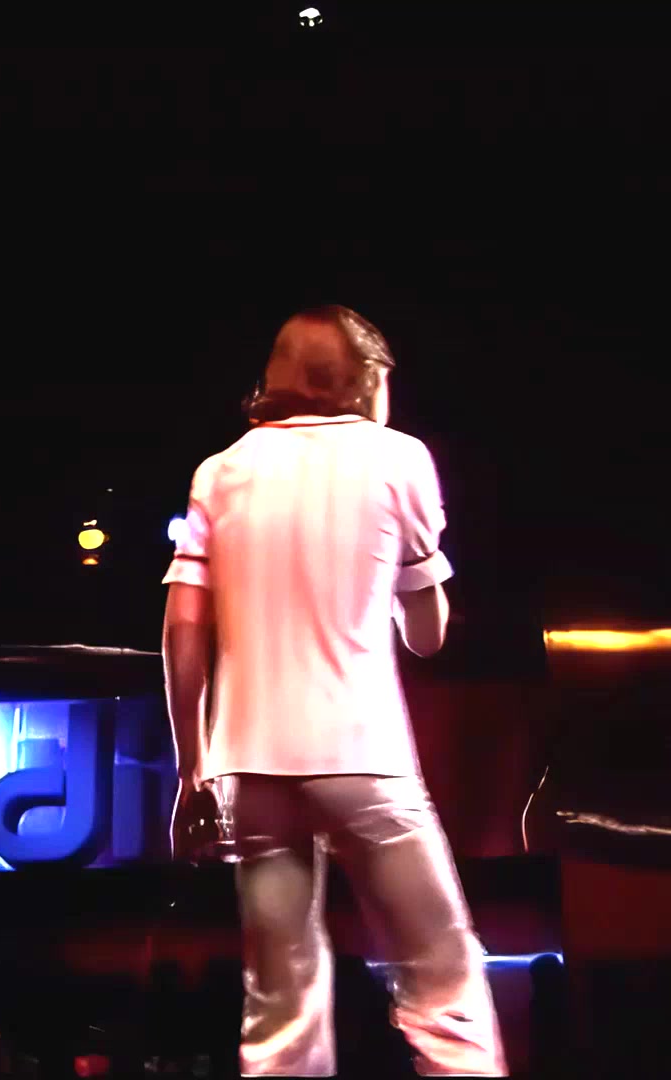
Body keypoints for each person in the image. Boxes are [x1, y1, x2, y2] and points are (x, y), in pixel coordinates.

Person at [161, 304, 506, 1076]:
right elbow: (427, 635)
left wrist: (191, 768)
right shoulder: (400, 457)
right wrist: (412, 569)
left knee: (279, 1005)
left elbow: (182, 628)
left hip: (248, 767)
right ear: (361, 380)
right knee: (443, 977)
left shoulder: (219, 471)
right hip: (364, 759)